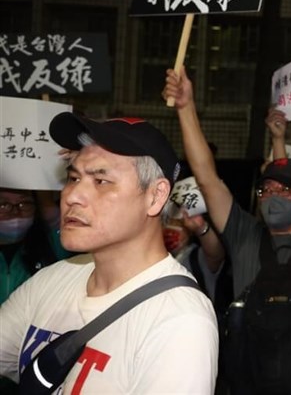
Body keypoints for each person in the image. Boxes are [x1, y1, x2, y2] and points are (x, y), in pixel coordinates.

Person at [163, 66, 291, 394]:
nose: (272, 196)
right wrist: (186, 107)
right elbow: (206, 176)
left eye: (284, 189)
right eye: (266, 190)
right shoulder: (244, 234)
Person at [0, 113, 218, 393]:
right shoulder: (52, 280)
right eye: (74, 177)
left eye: (101, 181)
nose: (72, 196)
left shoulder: (180, 322)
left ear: (155, 196)